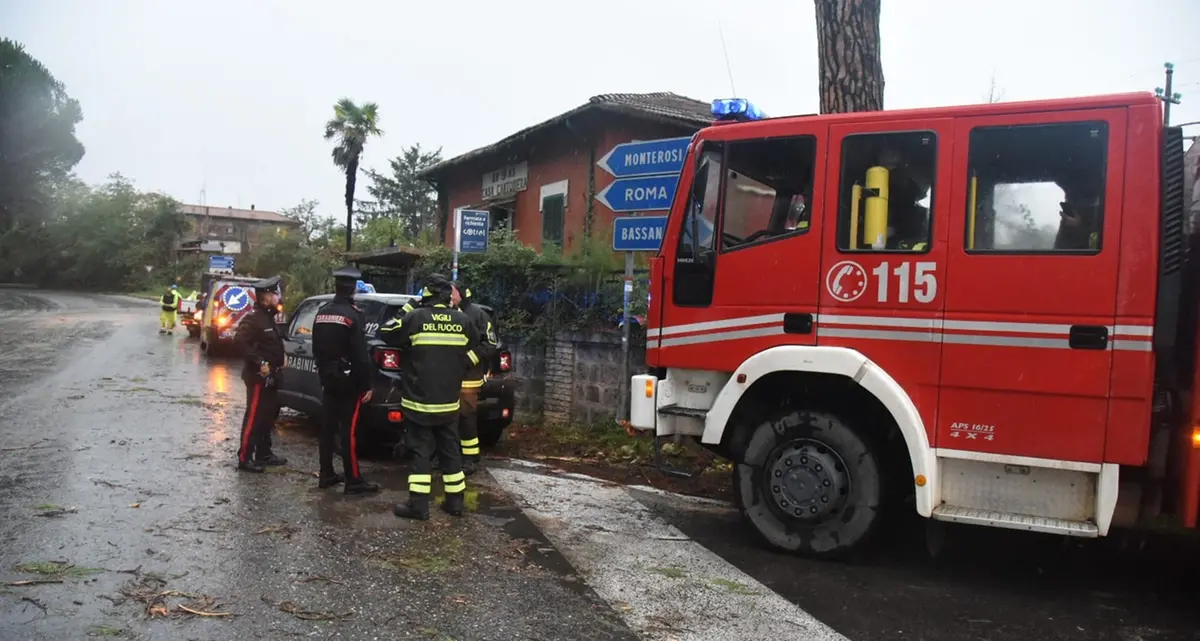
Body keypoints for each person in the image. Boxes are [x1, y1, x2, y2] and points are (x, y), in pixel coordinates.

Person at [380, 275, 479, 520]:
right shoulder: (463, 320)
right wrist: (461, 365)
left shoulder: (415, 317)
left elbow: (387, 331)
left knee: (420, 452)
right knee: (450, 451)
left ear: (426, 296)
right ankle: (455, 502)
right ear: (448, 298)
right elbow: (478, 346)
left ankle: (419, 506)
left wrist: (408, 307)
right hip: (449, 402)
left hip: (419, 403)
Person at [312, 265, 379, 494]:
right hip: (349, 381)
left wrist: (324, 371)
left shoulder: (322, 312)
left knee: (328, 428)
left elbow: (316, 347)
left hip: (327, 377)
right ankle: (353, 480)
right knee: (348, 430)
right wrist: (366, 384)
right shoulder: (354, 315)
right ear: (352, 290)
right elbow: (360, 355)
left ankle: (326, 474)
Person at [235, 276, 288, 473]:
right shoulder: (253, 318)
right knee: (254, 417)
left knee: (267, 417)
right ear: (265, 297)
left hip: (272, 376)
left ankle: (264, 453)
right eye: (274, 294)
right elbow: (239, 341)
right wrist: (259, 362)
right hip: (258, 377)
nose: (277, 297)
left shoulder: (269, 317)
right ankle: (245, 458)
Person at [452, 279, 498, 475]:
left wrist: (468, 360)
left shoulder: (478, 315)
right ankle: (450, 456)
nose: (449, 296)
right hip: (449, 377)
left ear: (461, 294)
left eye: (451, 292)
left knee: (466, 416)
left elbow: (490, 344)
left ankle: (470, 458)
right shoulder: (449, 313)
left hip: (469, 377)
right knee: (449, 418)